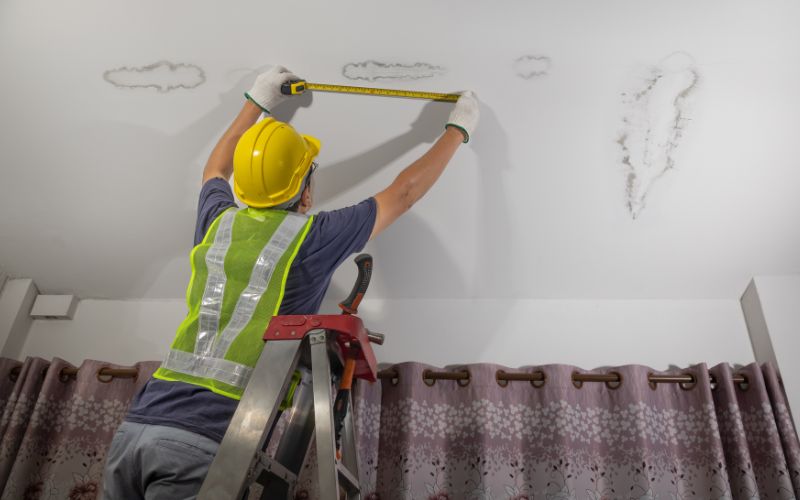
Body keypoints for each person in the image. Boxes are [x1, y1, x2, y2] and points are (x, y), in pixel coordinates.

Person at [101, 65, 479, 499]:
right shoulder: (312, 236)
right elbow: (402, 195)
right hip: (202, 441)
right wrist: (458, 129)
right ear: (305, 190)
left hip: (135, 432)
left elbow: (214, 168)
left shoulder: (217, 220)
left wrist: (256, 102)